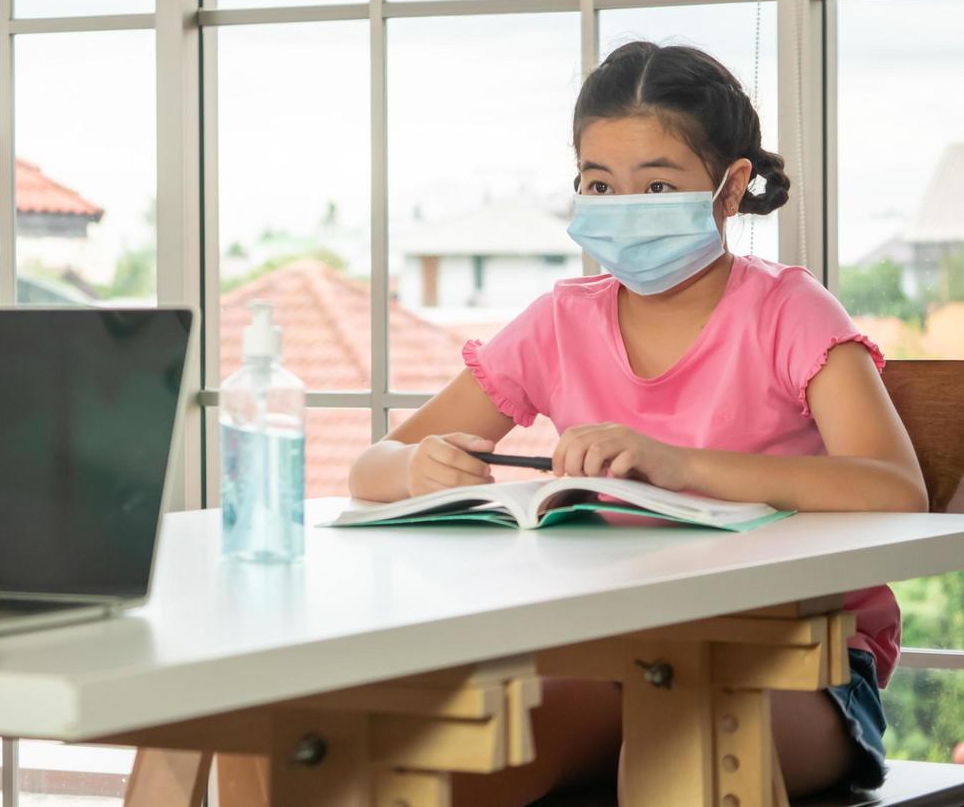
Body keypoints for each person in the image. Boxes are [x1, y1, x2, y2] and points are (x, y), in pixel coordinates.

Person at [349, 40, 926, 803]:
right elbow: (374, 465)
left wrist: (680, 464)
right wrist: (416, 468)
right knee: (427, 759)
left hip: (794, 665)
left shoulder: (789, 311)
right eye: (599, 184)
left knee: (673, 751)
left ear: (730, 189)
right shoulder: (560, 321)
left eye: (656, 184)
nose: (624, 209)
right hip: (608, 654)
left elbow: (894, 491)